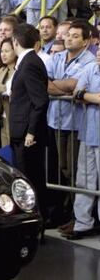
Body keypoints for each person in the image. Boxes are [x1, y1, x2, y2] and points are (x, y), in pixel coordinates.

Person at [9, 23, 49, 221]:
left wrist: (31, 132)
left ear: (15, 42)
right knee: (29, 178)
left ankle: (36, 220)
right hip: (22, 131)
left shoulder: (31, 62)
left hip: (27, 134)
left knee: (30, 180)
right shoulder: (29, 61)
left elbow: (39, 101)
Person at [46, 22, 95, 181]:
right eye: (68, 35)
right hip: (55, 120)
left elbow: (75, 84)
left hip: (76, 123)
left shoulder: (90, 61)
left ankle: (75, 204)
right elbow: (43, 83)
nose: (69, 39)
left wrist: (57, 85)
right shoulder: (57, 56)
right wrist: (66, 90)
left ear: (85, 42)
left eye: (75, 36)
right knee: (62, 167)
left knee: (74, 168)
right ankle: (67, 203)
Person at [64, 49, 100, 239]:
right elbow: (76, 92)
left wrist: (85, 96)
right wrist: (86, 96)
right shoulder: (91, 68)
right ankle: (83, 223)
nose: (99, 54)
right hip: (88, 132)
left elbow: (83, 95)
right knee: (84, 180)